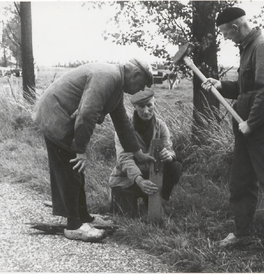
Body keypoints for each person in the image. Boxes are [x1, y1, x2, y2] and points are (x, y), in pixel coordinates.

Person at [201, 7, 264, 256]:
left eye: (226, 33)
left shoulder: (262, 47)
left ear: (235, 28)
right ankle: (242, 232)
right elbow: (245, 88)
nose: (225, 38)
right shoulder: (247, 48)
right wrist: (221, 85)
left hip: (261, 127)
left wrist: (253, 122)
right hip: (244, 126)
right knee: (241, 181)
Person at [32, 58, 156, 242]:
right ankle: (73, 226)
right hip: (56, 116)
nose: (141, 90)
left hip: (61, 115)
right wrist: (80, 150)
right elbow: (87, 113)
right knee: (72, 170)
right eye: (142, 84)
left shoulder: (115, 82)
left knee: (76, 170)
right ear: (135, 75)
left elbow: (121, 121)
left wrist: (138, 153)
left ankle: (84, 217)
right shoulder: (109, 77)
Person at [109, 89, 182, 218]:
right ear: (135, 107)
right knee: (126, 217)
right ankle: (134, 196)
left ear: (155, 104)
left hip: (152, 175)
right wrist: (140, 181)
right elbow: (124, 159)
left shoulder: (161, 126)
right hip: (129, 178)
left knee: (175, 166)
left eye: (149, 105)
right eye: (141, 106)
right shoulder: (124, 129)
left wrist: (168, 156)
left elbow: (169, 148)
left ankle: (160, 199)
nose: (146, 110)